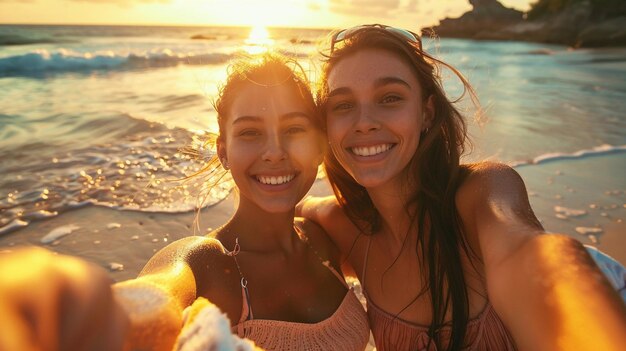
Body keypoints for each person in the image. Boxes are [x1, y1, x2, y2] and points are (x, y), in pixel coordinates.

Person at [0, 53, 370, 351]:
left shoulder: (324, 239)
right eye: (250, 133)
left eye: (293, 129)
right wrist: (80, 313)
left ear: (320, 145)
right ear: (223, 152)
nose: (274, 152)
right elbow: (157, 296)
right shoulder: (208, 262)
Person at [299, 24, 626, 351]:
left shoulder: (482, 193)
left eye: (390, 98)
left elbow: (523, 252)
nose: (364, 121)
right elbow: (283, 216)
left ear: (426, 112)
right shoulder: (342, 224)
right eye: (342, 105)